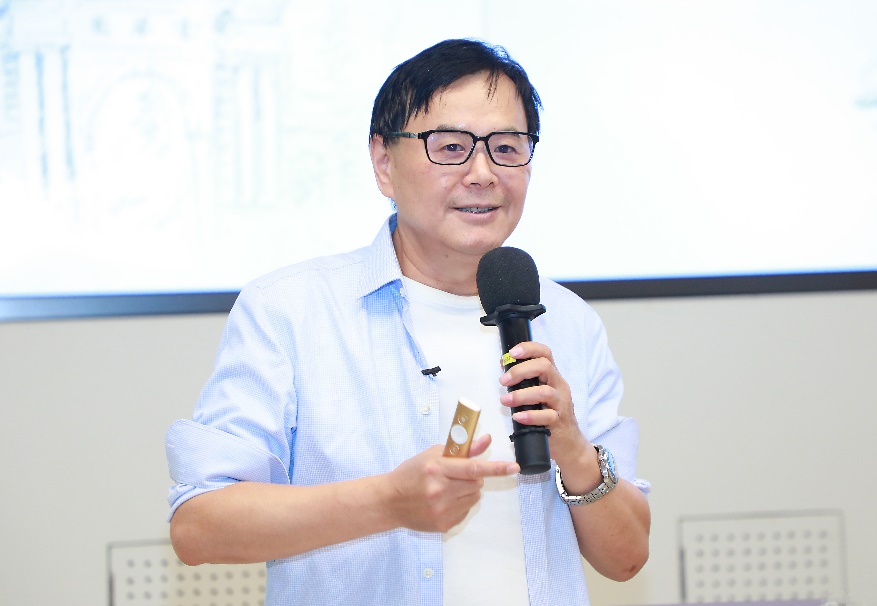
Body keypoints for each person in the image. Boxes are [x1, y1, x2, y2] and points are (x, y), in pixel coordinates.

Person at [166, 38, 651, 605]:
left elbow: (626, 557)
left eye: (506, 147)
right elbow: (199, 526)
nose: (482, 173)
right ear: (383, 163)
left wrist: (573, 448)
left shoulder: (567, 321)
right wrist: (387, 502)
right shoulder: (291, 312)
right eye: (450, 147)